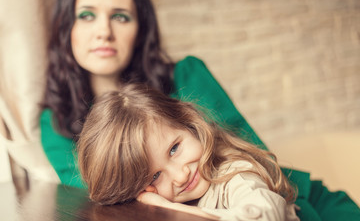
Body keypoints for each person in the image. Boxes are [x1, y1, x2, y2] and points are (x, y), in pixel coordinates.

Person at [40, 0, 360, 220]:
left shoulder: (186, 75)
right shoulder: (56, 121)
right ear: (67, 27)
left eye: (121, 17)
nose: (104, 31)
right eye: (86, 15)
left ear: (140, 29)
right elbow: (111, 201)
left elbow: (249, 158)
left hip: (299, 203)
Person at [77, 84, 300, 221]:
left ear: (188, 124)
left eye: (174, 149)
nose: (181, 175)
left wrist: (168, 208)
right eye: (155, 176)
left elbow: (266, 216)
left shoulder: (234, 173)